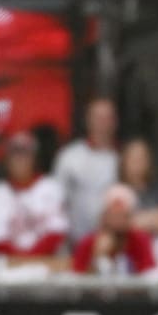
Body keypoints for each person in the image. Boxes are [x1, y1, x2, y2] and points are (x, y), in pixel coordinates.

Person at [0, 131, 68, 257]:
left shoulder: (51, 187)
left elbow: (56, 234)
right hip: (9, 265)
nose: (19, 160)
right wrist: (22, 261)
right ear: (6, 160)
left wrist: (30, 259)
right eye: (14, 154)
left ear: (34, 158)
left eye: (25, 154)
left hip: (48, 263)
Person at [53, 97, 120, 243]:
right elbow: (56, 202)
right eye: (98, 117)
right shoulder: (69, 156)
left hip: (115, 242)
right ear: (88, 121)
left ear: (115, 122)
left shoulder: (124, 159)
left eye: (107, 118)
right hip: (75, 243)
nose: (102, 123)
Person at [72, 183, 156, 275]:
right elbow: (77, 278)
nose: (117, 221)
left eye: (122, 216)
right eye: (112, 215)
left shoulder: (140, 240)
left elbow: (149, 274)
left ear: (130, 217)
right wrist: (97, 256)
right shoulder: (88, 242)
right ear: (103, 216)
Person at [119, 137, 158, 239]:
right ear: (124, 162)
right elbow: (118, 226)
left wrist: (139, 219)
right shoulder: (116, 193)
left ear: (149, 160)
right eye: (133, 158)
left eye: (142, 157)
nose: (138, 162)